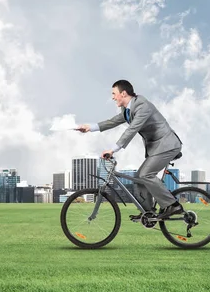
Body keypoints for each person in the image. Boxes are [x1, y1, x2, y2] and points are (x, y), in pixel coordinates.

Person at [76, 79, 184, 220]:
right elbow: (113, 121)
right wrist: (90, 127)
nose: (112, 97)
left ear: (123, 93)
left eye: (114, 93)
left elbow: (132, 129)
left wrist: (113, 149)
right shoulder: (127, 109)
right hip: (157, 147)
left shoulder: (142, 106)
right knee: (139, 178)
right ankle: (148, 212)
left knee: (146, 174)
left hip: (167, 145)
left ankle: (173, 205)